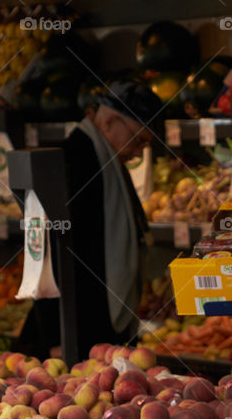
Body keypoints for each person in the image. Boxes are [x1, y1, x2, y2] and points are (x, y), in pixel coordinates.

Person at [32, 81, 160, 359]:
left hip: (100, 326)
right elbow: (42, 249)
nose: (139, 152)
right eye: (138, 140)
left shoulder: (107, 160)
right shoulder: (73, 158)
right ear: (111, 121)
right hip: (76, 332)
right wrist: (54, 336)